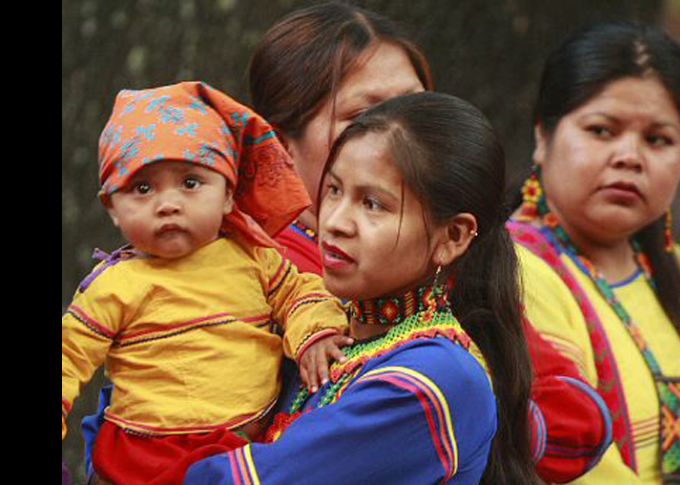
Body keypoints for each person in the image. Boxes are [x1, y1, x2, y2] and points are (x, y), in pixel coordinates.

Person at [81, 3, 611, 482]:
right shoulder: (242, 270)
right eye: (367, 116)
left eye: (417, 110)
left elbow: (583, 422)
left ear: (455, 236)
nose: (397, 133)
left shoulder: (436, 350)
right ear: (280, 147)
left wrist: (465, 418)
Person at [186, 90, 537, 484]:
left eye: (373, 204)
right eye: (334, 190)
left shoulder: (434, 380)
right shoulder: (321, 331)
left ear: (452, 237)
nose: (335, 221)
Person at [62, 81, 352, 484]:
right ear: (112, 208)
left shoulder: (255, 258)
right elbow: (68, 357)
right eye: (142, 188)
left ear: (229, 194)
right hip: (140, 462)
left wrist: (315, 333)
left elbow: (303, 292)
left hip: (245, 447)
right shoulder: (112, 286)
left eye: (191, 183)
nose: (168, 203)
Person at [506, 22, 680, 484]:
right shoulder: (512, 271)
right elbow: (572, 461)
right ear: (542, 138)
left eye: (658, 139)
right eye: (602, 130)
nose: (630, 156)